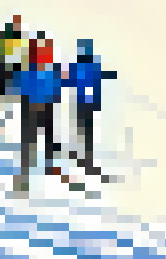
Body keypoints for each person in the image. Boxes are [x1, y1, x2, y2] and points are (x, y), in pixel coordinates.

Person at [12, 35, 78, 195]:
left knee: (48, 142)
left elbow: (64, 80)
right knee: (29, 144)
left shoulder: (49, 70)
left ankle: (51, 169)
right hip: (31, 109)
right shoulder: (28, 70)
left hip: (45, 108)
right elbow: (17, 85)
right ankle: (23, 180)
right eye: (42, 50)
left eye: (47, 50)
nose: (46, 54)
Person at [64, 37, 119, 178]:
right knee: (83, 134)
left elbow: (67, 80)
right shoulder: (83, 67)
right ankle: (81, 162)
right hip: (82, 105)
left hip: (85, 105)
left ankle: (81, 162)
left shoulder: (82, 67)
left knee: (83, 134)